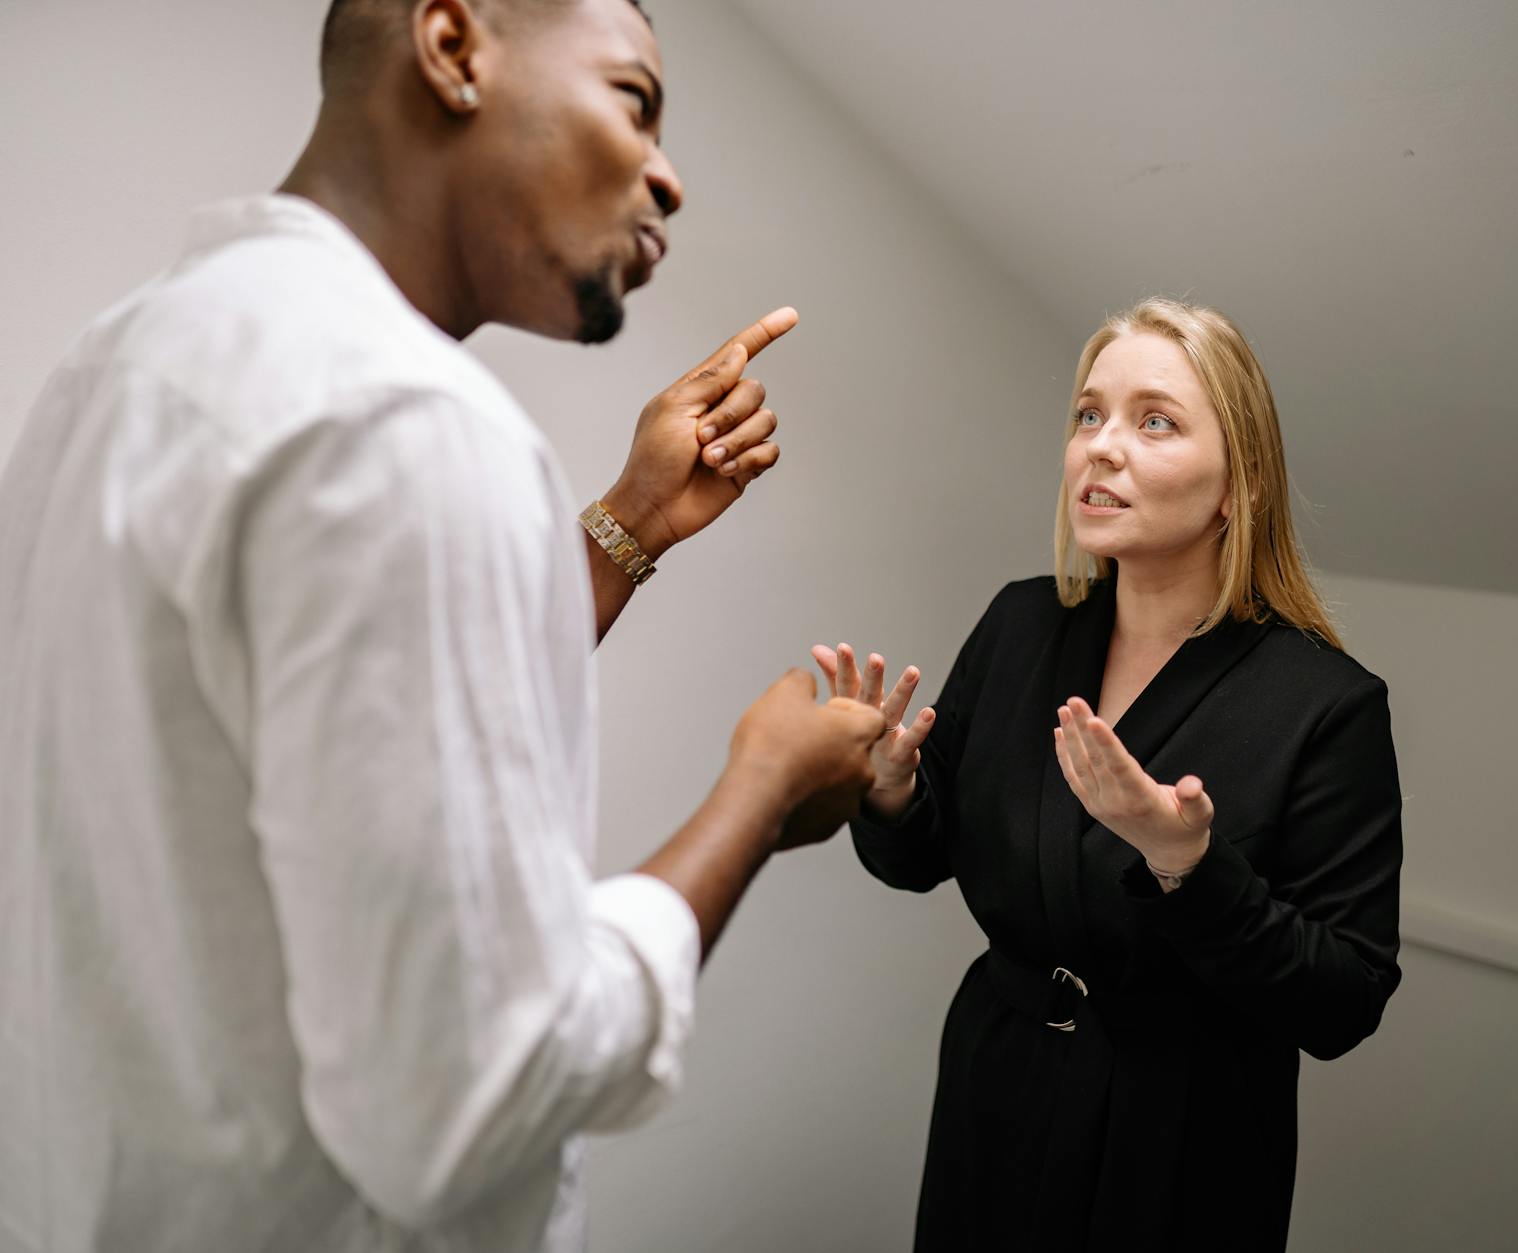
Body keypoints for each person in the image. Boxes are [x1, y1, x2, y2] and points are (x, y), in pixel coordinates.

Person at [0, 0, 883, 1249]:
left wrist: (630, 521)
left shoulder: (117, 368)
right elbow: (468, 1096)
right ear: (454, 45)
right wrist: (761, 791)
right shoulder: (406, 422)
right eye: (635, 99)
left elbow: (332, 731)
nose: (668, 176)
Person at [818, 297, 1405, 1251]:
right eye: (1089, 414)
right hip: (996, 1087)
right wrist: (887, 788)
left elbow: (1343, 1003)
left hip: (1181, 1143)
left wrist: (1186, 863)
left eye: (1154, 420)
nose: (1102, 446)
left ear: (1235, 484)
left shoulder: (1325, 704)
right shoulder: (1020, 623)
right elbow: (922, 857)